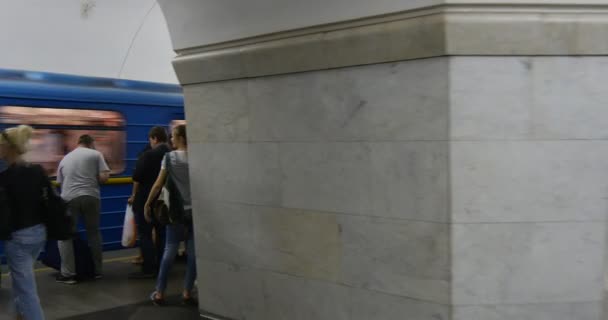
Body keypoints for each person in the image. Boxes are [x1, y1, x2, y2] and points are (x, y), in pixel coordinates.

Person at [144, 124, 196, 306]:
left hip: (176, 212)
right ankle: (187, 292)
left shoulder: (170, 157)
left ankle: (159, 293)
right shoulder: (198, 157)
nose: (171, 139)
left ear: (181, 137)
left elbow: (158, 185)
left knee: (170, 251)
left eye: (173, 136)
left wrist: (148, 203)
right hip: (194, 212)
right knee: (193, 254)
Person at [0, 125, 47, 320]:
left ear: (9, 148)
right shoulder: (37, 170)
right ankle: (18, 315)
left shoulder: (6, 178)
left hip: (19, 238)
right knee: (21, 279)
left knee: (26, 288)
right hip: (38, 233)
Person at [56, 134, 110, 284]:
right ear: (91, 143)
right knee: (93, 233)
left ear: (78, 143)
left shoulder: (65, 158)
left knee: (66, 236)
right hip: (91, 197)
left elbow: (60, 182)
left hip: (69, 198)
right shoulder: (96, 154)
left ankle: (68, 274)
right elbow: (104, 178)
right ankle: (97, 271)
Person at [128, 127, 171, 278]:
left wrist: (135, 196)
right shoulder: (172, 154)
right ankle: (162, 266)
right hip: (165, 201)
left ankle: (149, 268)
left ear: (154, 138)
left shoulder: (148, 155)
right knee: (162, 233)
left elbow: (137, 177)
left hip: (147, 198)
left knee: (145, 234)